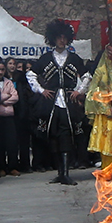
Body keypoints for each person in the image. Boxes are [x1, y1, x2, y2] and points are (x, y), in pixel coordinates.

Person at [28, 21, 89, 185]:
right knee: (52, 136)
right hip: (50, 103)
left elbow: (86, 76)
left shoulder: (74, 58)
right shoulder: (45, 58)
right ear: (53, 39)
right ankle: (60, 173)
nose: (62, 41)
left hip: (69, 103)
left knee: (67, 136)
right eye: (59, 37)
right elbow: (31, 75)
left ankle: (66, 172)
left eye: (64, 38)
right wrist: (41, 90)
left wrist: (80, 91)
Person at [86, 47, 112, 173]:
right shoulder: (101, 71)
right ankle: (109, 169)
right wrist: (109, 100)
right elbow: (93, 91)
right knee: (107, 142)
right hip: (106, 112)